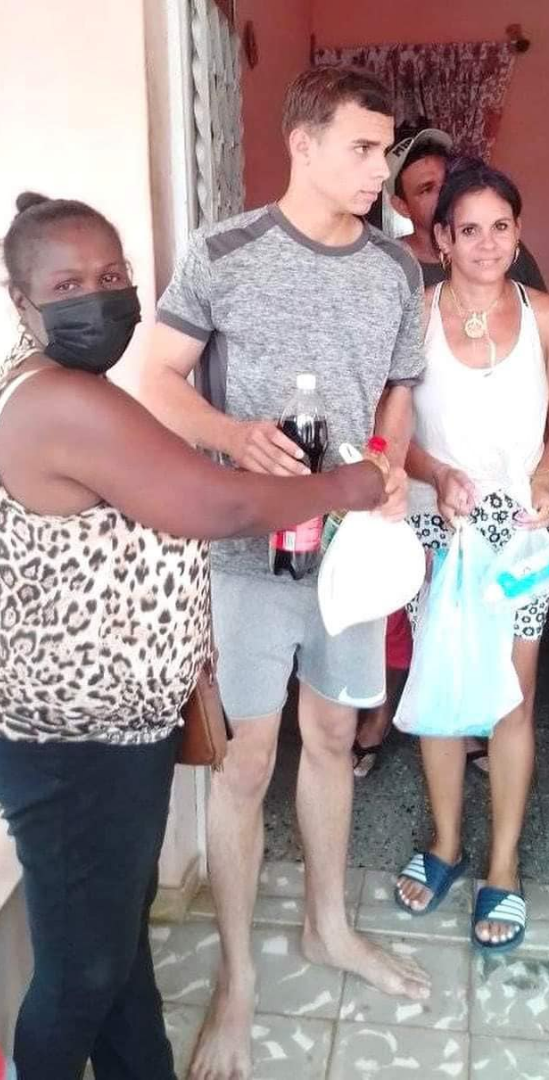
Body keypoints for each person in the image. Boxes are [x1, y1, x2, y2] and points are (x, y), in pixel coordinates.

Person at [0, 192, 389, 1079]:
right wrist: (341, 488)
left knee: (120, 958)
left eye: (115, 276)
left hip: (109, 737)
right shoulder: (59, 402)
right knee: (83, 977)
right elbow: (219, 504)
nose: (102, 296)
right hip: (74, 745)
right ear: (22, 300)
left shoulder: (76, 389)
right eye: (69, 283)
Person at [138, 66, 428, 1079]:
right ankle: (236, 981)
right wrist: (232, 434)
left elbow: (400, 392)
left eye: (386, 151)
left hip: (349, 556)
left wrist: (388, 466)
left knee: (335, 734)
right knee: (248, 761)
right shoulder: (224, 252)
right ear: (302, 143)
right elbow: (155, 379)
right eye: (361, 146)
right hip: (247, 552)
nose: (378, 169)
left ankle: (326, 928)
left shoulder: (399, 271)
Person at [390, 157, 549, 953]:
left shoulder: (544, 315)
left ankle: (505, 866)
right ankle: (447, 845)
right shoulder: (413, 317)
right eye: (469, 228)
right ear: (442, 238)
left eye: (501, 227)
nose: (486, 243)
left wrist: (547, 473)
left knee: (512, 700)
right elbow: (394, 436)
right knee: (443, 685)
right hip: (438, 530)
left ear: (517, 234)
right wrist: (435, 473)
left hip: (520, 537)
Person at [383, 125, 546, 292]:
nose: (445, 191)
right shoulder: (388, 267)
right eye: (427, 189)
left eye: (448, 179)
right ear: (401, 206)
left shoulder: (499, 247)